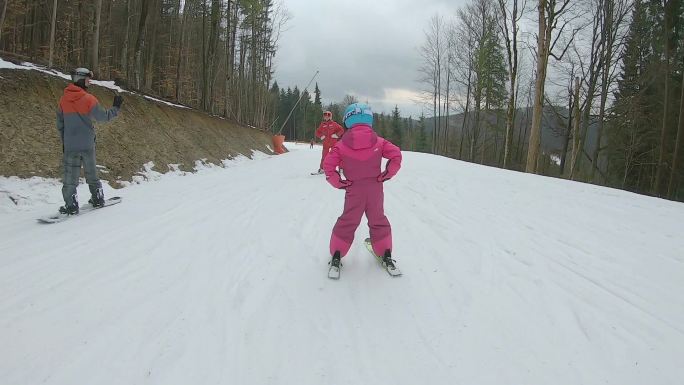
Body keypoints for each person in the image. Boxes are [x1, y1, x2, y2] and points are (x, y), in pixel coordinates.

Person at [322, 103, 402, 271]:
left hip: (354, 190)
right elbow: (396, 155)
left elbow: (328, 167)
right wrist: (386, 174)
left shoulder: (341, 145)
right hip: (375, 189)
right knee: (378, 219)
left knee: (348, 221)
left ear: (347, 121)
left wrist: (339, 183)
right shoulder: (379, 142)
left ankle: (337, 254)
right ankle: (386, 253)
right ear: (369, 120)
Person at [57, 67, 123, 215]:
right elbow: (103, 117)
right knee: (91, 172)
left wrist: (65, 141)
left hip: (70, 146)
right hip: (87, 144)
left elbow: (60, 124)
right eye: (87, 80)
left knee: (70, 177)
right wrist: (116, 107)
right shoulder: (88, 99)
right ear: (80, 80)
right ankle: (98, 198)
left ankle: (71, 204)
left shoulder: (63, 100)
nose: (89, 83)